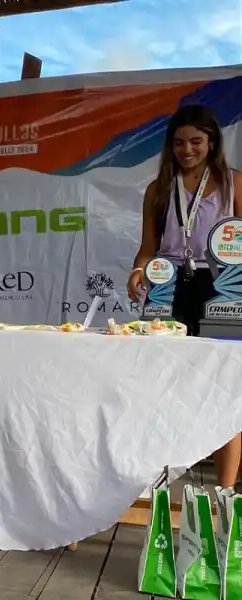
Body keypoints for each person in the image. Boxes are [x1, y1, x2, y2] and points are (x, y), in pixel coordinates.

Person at [127, 103, 242, 488]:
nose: (187, 149)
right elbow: (148, 247)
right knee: (162, 383)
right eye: (178, 142)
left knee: (226, 388)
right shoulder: (158, 190)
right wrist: (139, 268)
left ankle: (225, 493)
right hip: (167, 286)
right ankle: (157, 483)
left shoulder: (234, 183)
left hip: (222, 287)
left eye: (196, 141)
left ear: (211, 143)